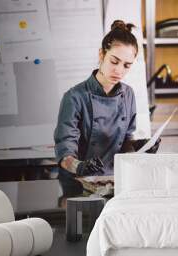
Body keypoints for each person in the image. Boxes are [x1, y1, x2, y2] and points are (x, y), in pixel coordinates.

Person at [54, 20, 160, 197]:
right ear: (102, 55)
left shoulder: (128, 94)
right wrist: (80, 166)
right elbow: (65, 152)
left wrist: (139, 145)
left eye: (127, 65)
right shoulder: (74, 97)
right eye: (114, 61)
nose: (119, 70)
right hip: (78, 185)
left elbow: (124, 143)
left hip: (114, 182)